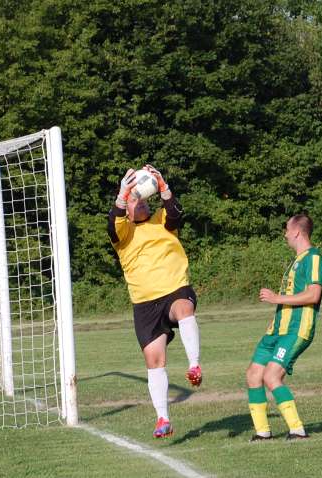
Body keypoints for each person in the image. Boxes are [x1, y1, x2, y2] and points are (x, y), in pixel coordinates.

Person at [107, 165, 202, 439]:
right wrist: (124, 194)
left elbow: (176, 212)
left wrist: (163, 186)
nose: (141, 202)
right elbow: (112, 222)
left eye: (143, 199)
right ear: (127, 207)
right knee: (153, 359)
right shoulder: (123, 233)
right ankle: (163, 418)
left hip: (174, 289)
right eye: (136, 200)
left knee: (184, 308)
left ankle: (194, 364)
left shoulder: (161, 220)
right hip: (145, 303)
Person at [246, 214, 322, 441]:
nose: (285, 234)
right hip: (277, 330)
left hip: (296, 330)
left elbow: (313, 294)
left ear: (298, 232)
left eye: (287, 230)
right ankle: (262, 432)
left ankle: (298, 430)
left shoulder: (314, 258)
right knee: (253, 374)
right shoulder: (295, 261)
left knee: (272, 376)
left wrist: (276, 298)